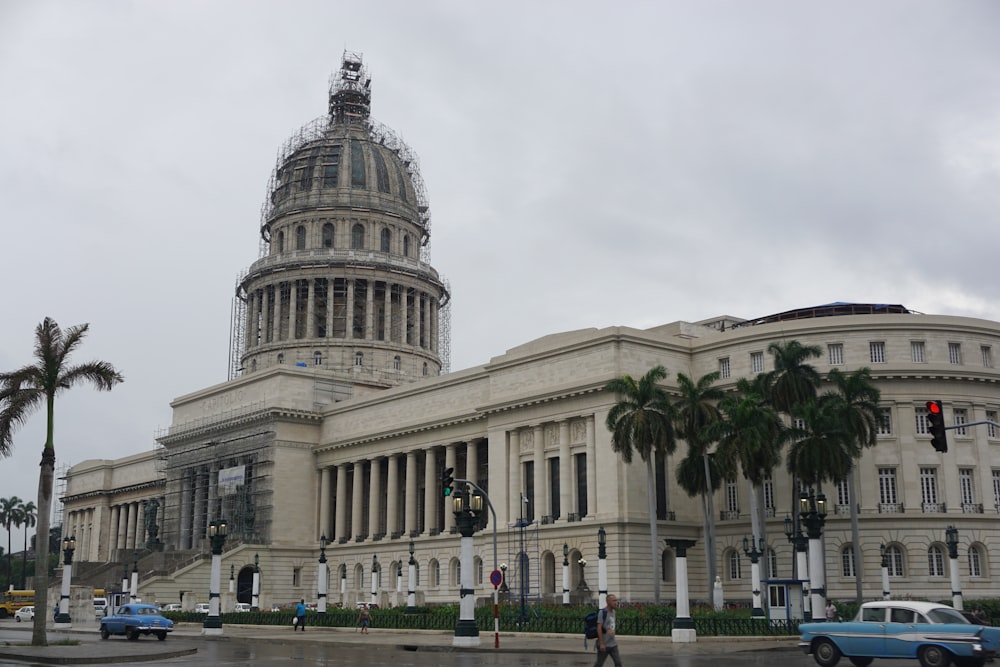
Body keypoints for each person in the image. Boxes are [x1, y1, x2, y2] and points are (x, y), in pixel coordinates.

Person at [594, 593, 622, 667]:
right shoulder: (602, 612)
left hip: (613, 643)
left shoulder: (613, 612)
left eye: (616, 600)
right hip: (604, 644)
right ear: (608, 602)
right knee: (599, 664)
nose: (615, 602)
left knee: (618, 663)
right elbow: (599, 628)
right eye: (613, 601)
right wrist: (602, 643)